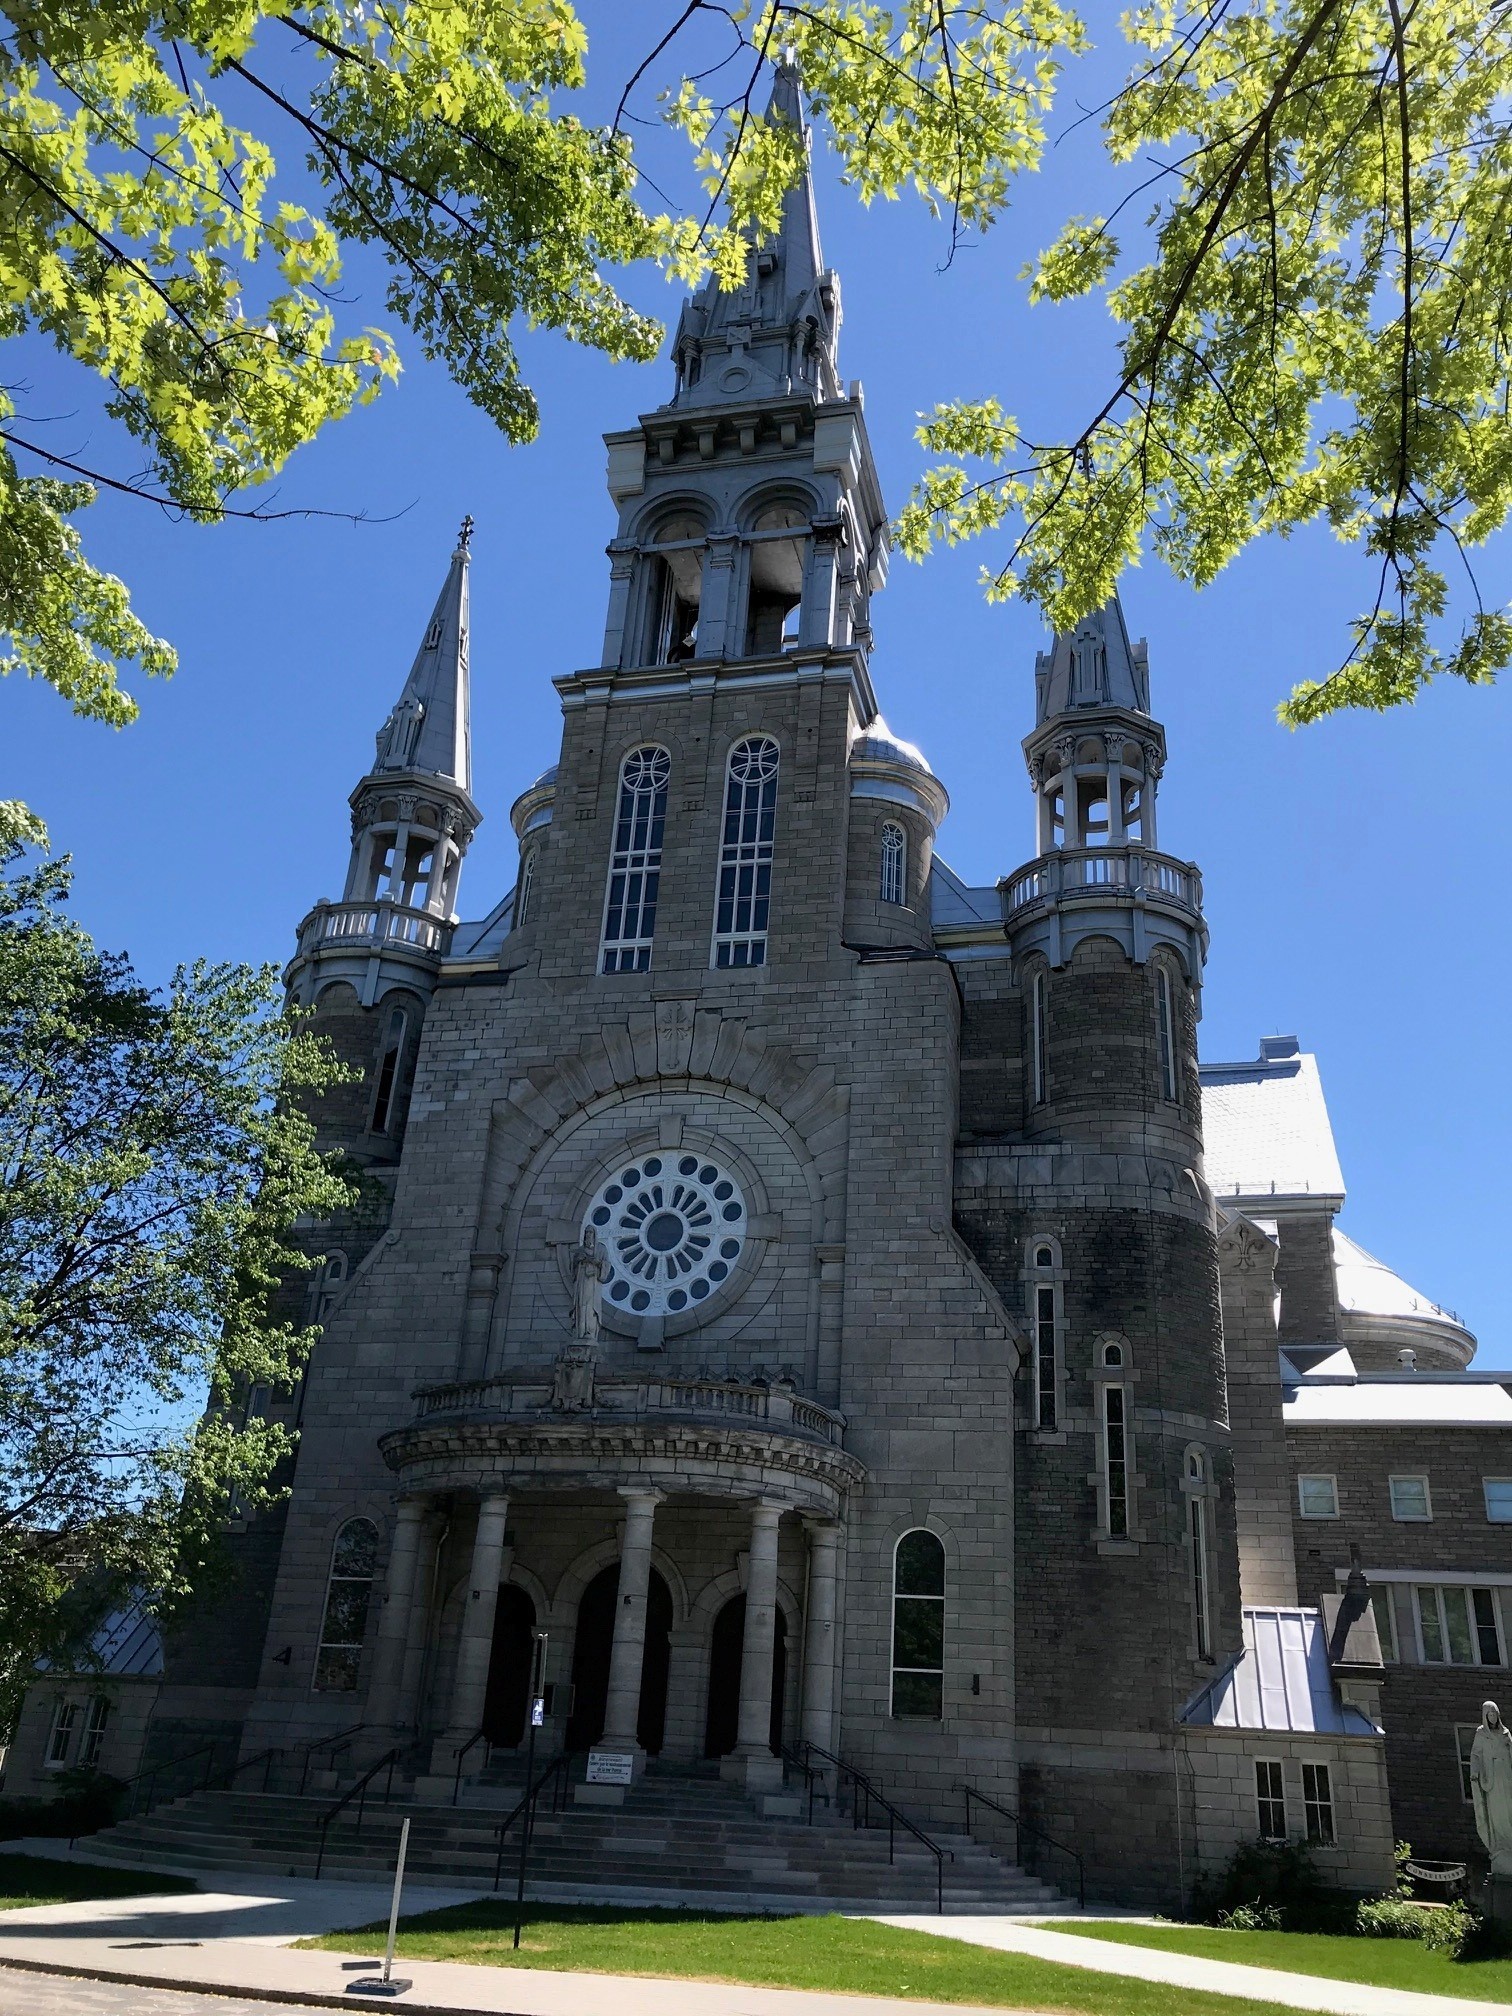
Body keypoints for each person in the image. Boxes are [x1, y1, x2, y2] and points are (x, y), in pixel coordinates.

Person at [1470, 1700, 1512, 1875]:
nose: (1493, 1717)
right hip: (1491, 1781)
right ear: (1485, 1717)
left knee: (1508, 1810)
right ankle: (1500, 1846)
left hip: (1506, 1776)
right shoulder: (1481, 1734)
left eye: (1495, 1714)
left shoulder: (1505, 1733)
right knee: (1496, 1813)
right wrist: (1475, 1773)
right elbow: (1475, 1755)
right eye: (1490, 1715)